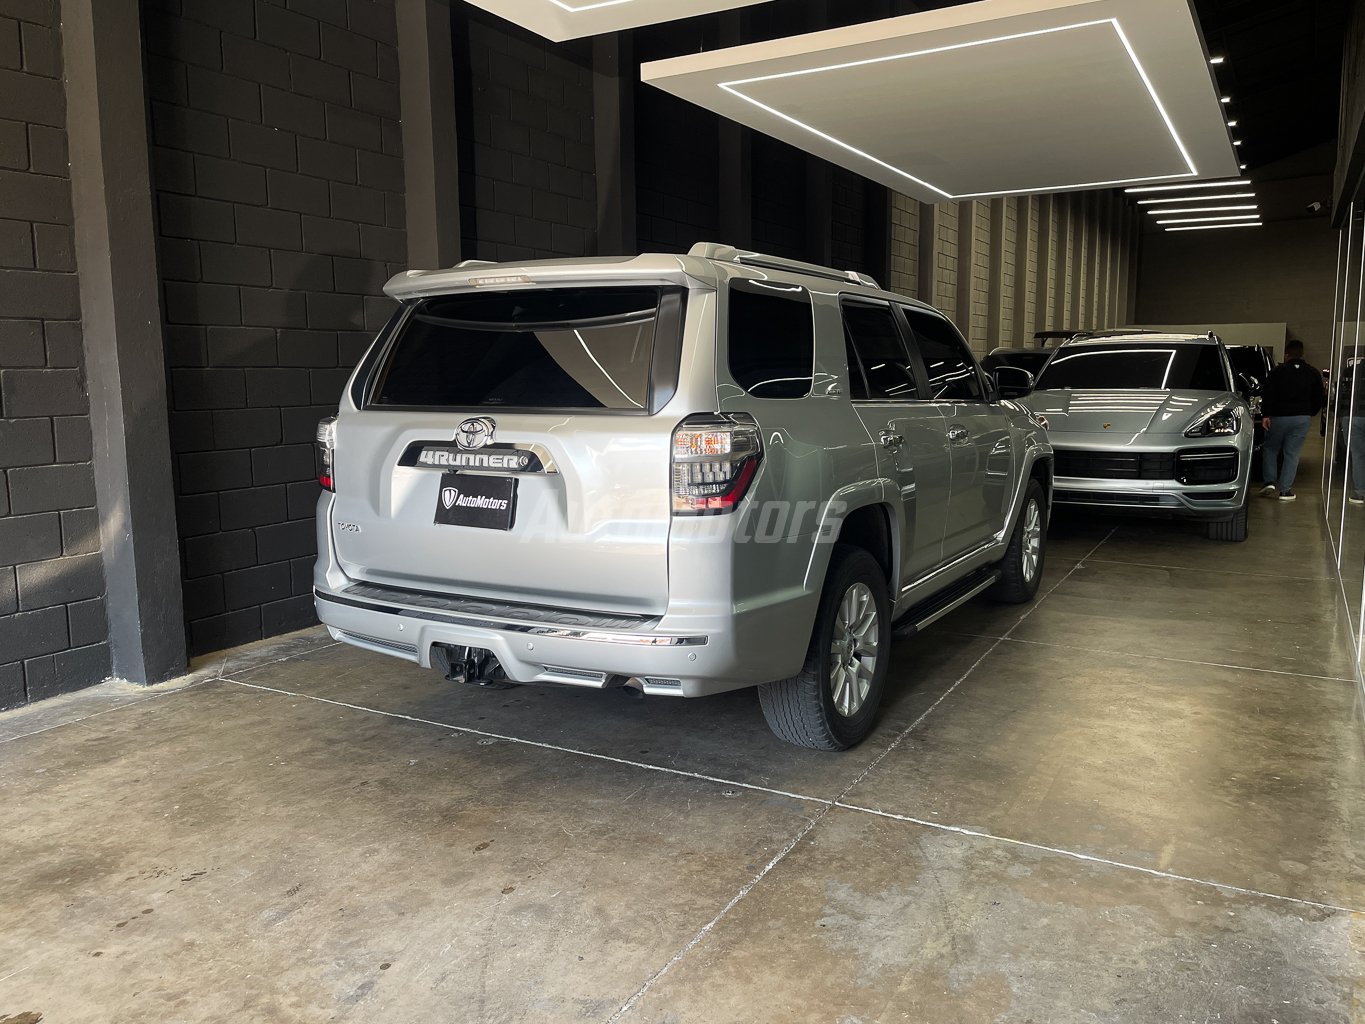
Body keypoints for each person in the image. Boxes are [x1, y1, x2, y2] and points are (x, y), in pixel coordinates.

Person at [1259, 340, 1324, 500]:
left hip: (1278, 417)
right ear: (1302, 354)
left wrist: (1266, 414)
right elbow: (1319, 396)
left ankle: (1269, 481)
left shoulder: (1277, 371)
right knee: (1292, 453)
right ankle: (1285, 491)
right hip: (1301, 417)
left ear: (1286, 354)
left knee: (1271, 449)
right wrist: (1310, 412)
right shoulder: (1312, 372)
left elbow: (1268, 393)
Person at [1336, 356, 1365, 504]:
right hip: (1352, 416)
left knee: (1358, 455)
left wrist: (1340, 416)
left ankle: (1360, 493)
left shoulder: (1350, 371)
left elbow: (1340, 394)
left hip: (1352, 416)